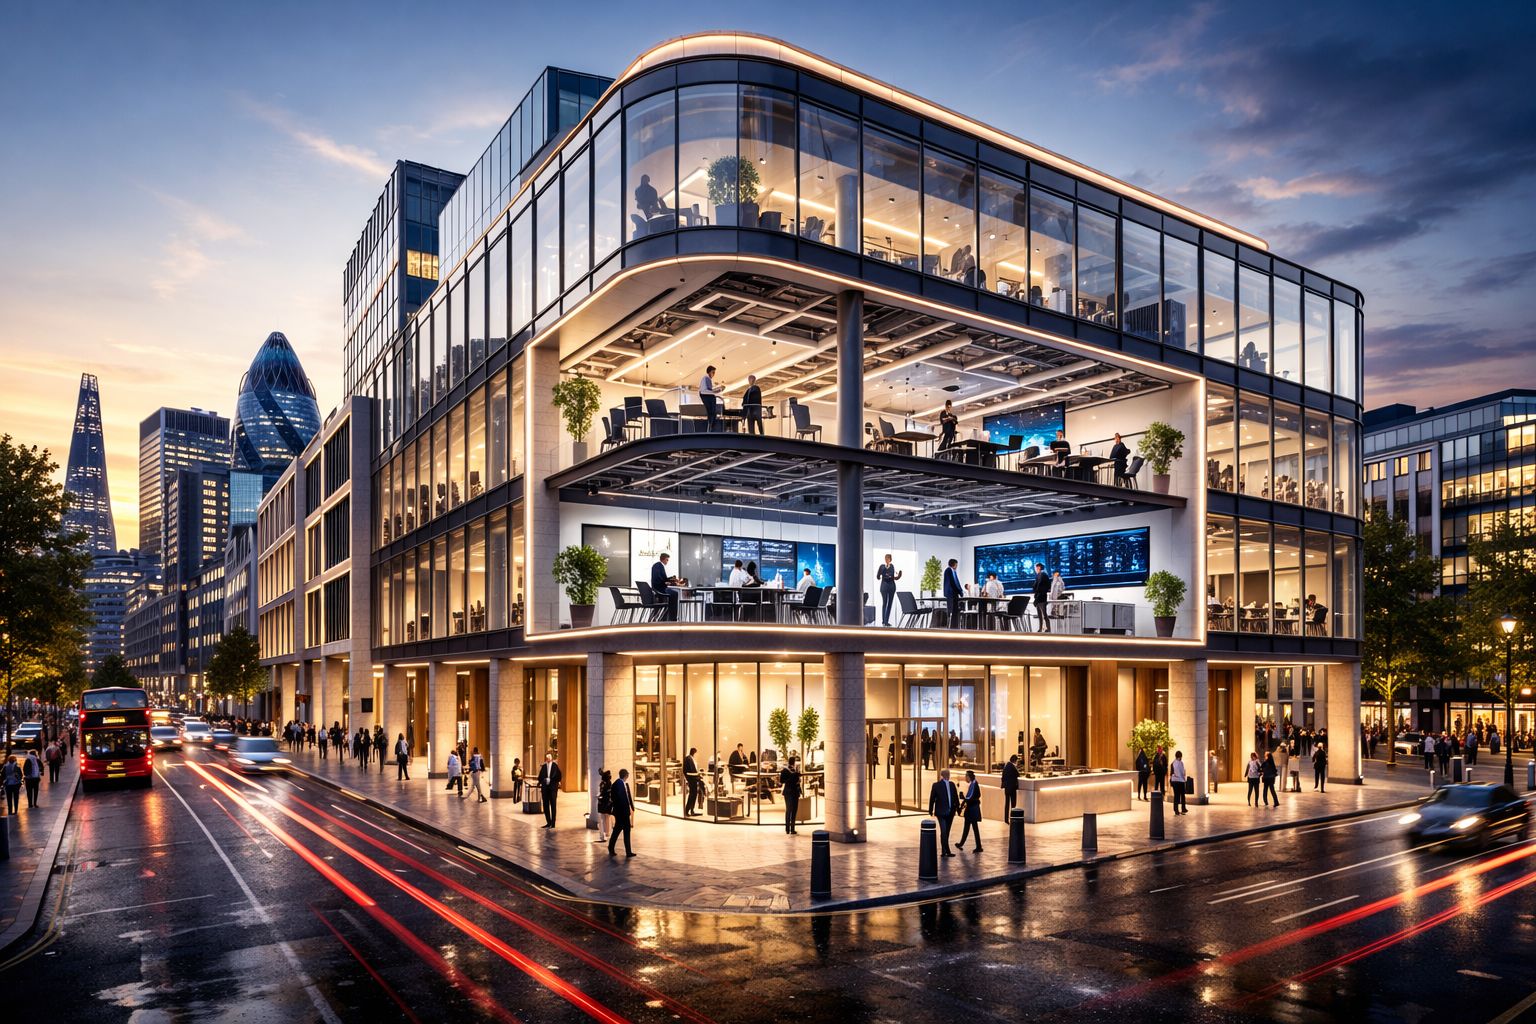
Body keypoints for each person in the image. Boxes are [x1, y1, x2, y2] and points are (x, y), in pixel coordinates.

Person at [928, 767, 960, 856]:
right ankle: (946, 851)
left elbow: (955, 798)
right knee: (944, 831)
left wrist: (958, 809)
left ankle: (944, 851)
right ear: (943, 775)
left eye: (948, 774)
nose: (948, 776)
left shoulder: (952, 785)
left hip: (950, 812)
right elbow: (932, 799)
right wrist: (930, 809)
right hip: (941, 812)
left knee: (946, 832)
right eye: (947, 774)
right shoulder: (936, 785)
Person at [609, 768, 636, 857]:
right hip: (621, 813)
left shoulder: (623, 784)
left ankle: (628, 851)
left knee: (625, 830)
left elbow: (627, 797)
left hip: (624, 812)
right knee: (618, 830)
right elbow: (619, 799)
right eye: (628, 774)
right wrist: (624, 811)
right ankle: (611, 848)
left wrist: (631, 807)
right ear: (626, 775)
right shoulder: (618, 784)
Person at [650, 553, 681, 621]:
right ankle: (673, 617)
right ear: (663, 559)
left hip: (657, 587)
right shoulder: (659, 566)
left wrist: (671, 579)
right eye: (667, 560)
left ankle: (670, 615)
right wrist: (669, 580)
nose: (667, 561)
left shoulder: (657, 565)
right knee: (675, 594)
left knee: (673, 593)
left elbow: (662, 578)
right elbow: (662, 579)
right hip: (660, 588)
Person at [959, 769, 984, 852]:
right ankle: (962, 843)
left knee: (973, 828)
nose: (965, 778)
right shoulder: (973, 784)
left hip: (972, 810)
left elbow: (971, 797)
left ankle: (978, 846)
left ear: (969, 777)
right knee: (969, 827)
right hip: (971, 810)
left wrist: (963, 799)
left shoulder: (974, 784)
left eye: (966, 776)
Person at [876, 554, 902, 626]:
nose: (887, 559)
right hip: (884, 586)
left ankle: (886, 621)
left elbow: (892, 576)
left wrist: (896, 576)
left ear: (890, 559)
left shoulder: (892, 566)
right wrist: (882, 574)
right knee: (885, 603)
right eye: (886, 558)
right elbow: (878, 576)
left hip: (891, 587)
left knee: (890, 604)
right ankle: (883, 621)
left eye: (888, 558)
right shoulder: (882, 566)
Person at [538, 752, 562, 828]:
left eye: (549, 757)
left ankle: (553, 823)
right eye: (547, 757)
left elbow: (559, 776)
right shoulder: (544, 766)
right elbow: (540, 777)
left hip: (552, 789)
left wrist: (551, 780)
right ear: (546, 758)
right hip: (545, 789)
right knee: (545, 806)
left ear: (551, 758)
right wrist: (544, 780)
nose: (548, 758)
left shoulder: (555, 766)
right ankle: (548, 822)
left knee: (553, 805)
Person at [780, 755, 803, 834]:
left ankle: (788, 829)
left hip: (788, 792)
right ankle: (791, 829)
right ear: (794, 762)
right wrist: (794, 776)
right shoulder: (792, 771)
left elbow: (782, 781)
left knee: (789, 810)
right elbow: (795, 781)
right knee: (792, 811)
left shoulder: (786, 770)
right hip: (793, 792)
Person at [699, 365, 721, 431]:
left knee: (712, 413)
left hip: (706, 395)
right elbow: (705, 390)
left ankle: (711, 426)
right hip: (705, 396)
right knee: (711, 412)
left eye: (714, 373)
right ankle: (711, 426)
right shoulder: (706, 378)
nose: (714, 374)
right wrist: (715, 392)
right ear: (709, 372)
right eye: (713, 372)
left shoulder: (707, 379)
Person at [943, 557, 963, 629]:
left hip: (953, 594)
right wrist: (960, 591)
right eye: (956, 565)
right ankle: (952, 627)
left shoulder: (951, 571)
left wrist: (960, 591)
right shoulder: (949, 570)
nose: (957, 566)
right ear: (954, 564)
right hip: (951, 594)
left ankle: (954, 626)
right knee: (952, 610)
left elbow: (956, 582)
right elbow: (953, 583)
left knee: (954, 610)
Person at [683, 747, 703, 816]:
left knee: (693, 794)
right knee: (692, 794)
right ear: (694, 752)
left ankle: (691, 810)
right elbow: (690, 770)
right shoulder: (689, 759)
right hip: (692, 779)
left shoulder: (690, 759)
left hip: (692, 779)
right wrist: (697, 777)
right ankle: (687, 810)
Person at [1032, 562, 1051, 632]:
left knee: (1043, 614)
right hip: (1041, 597)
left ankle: (1046, 628)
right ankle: (1044, 628)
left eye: (1036, 568)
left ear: (1038, 567)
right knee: (1042, 614)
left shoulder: (1041, 575)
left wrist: (1037, 598)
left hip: (1041, 597)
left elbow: (1039, 587)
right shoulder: (1042, 575)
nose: (1035, 569)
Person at [596, 769, 614, 842]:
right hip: (608, 803)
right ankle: (607, 834)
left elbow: (602, 793)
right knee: (607, 818)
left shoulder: (603, 784)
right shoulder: (609, 783)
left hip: (603, 803)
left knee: (603, 819)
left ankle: (604, 834)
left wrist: (599, 796)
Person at [1001, 754, 1020, 819]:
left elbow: (1003, 777)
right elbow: (1018, 774)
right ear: (1015, 760)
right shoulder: (1013, 767)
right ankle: (1013, 817)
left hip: (1007, 788)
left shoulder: (1006, 766)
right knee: (1013, 804)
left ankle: (1006, 818)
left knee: (1007, 804)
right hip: (1012, 788)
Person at [1169, 751, 1189, 815]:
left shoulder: (1172, 763)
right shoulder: (1181, 763)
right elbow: (1183, 773)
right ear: (1180, 756)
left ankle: (1176, 810)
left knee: (1176, 796)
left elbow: (1171, 773)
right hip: (1180, 781)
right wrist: (1184, 778)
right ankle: (1183, 808)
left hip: (1174, 781)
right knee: (1182, 795)